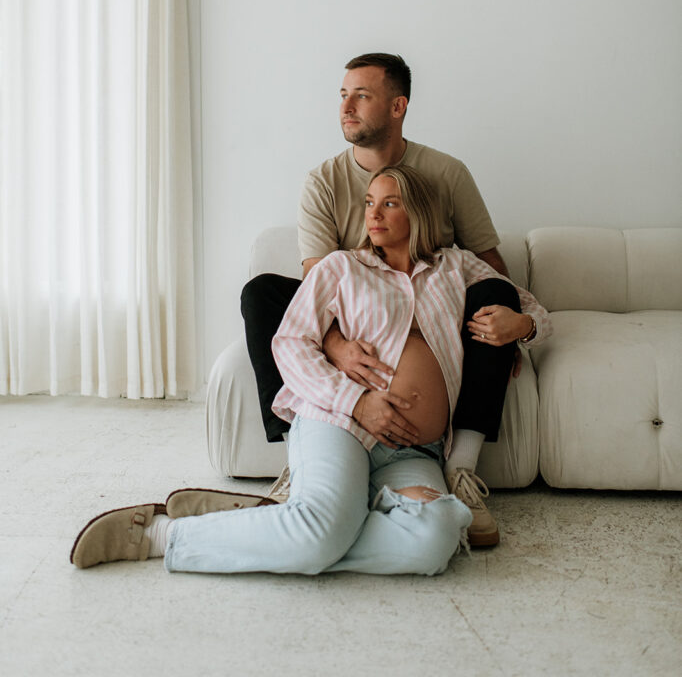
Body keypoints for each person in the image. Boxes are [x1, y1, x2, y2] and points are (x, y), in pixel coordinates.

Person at [71, 166, 550, 575]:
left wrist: (522, 324)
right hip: (339, 424)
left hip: (414, 451)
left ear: (419, 211)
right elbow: (292, 342)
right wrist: (358, 402)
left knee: (437, 539)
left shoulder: (456, 267)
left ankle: (289, 522)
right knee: (320, 534)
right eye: (368, 203)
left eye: (389, 204)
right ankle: (161, 535)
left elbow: (532, 308)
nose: (373, 214)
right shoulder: (342, 268)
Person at [240, 53, 527, 546]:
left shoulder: (445, 173)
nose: (346, 107)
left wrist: (512, 331)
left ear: (398, 107)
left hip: (430, 302)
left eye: (362, 96)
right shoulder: (324, 181)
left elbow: (491, 264)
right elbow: (316, 289)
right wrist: (337, 348)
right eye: (343, 95)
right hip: (350, 311)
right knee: (263, 293)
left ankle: (460, 470)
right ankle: (298, 460)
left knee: (496, 292)